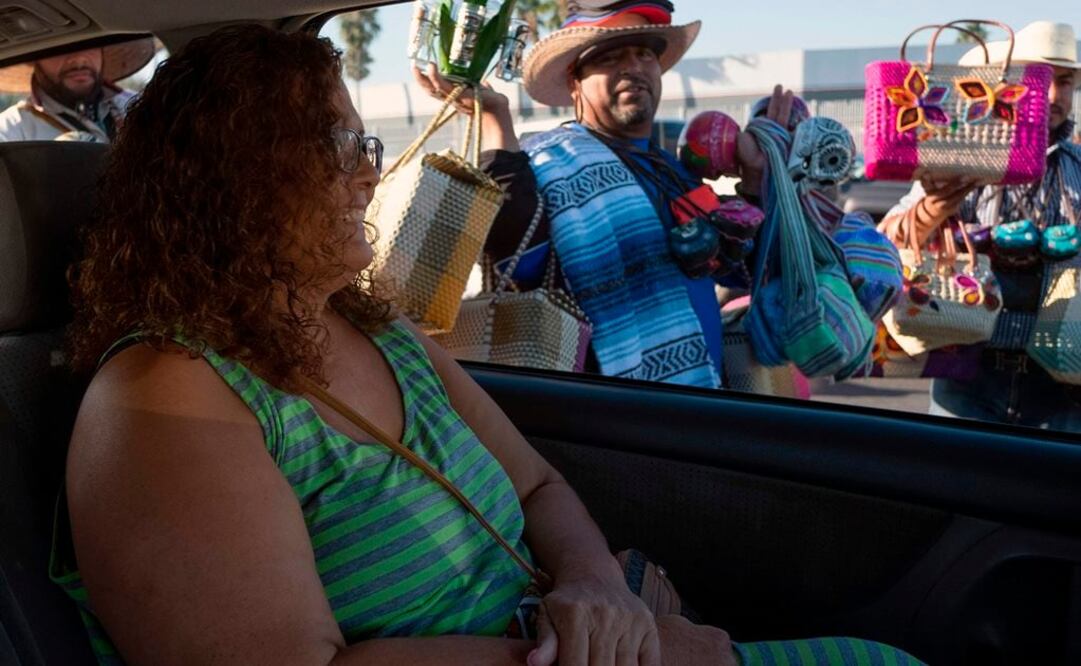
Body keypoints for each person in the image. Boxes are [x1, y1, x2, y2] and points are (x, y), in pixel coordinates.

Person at [54, 24, 920, 666]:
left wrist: (592, 586)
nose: (369, 169)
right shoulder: (165, 390)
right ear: (233, 173)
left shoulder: (377, 328)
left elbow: (537, 483)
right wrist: (627, 648)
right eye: (336, 145)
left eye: (363, 142)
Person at [416, 1, 794, 390]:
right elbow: (517, 255)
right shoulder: (548, 163)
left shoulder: (672, 171)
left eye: (645, 54)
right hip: (609, 409)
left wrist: (756, 177)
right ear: (574, 82)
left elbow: (736, 265)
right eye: (610, 57)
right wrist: (496, 120)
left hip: (700, 400)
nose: (633, 66)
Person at [879, 20, 1081, 430]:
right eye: (1042, 80)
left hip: (1065, 382)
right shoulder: (962, 165)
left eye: (1065, 82)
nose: (1054, 95)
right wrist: (934, 208)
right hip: (967, 375)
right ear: (1011, 84)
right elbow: (886, 242)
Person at [0, 39, 154, 142]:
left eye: (90, 45)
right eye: (60, 48)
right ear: (36, 60)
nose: (79, 60)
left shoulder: (141, 108)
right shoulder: (11, 131)